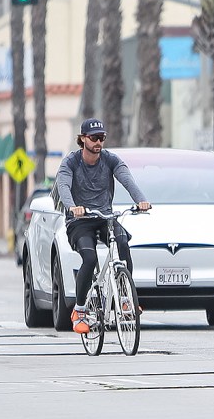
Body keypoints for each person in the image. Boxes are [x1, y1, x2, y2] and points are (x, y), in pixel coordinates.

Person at [56, 118, 151, 334]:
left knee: (123, 242)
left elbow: (127, 179)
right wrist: (72, 207)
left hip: (104, 217)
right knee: (89, 258)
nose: (99, 142)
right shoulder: (70, 162)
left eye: (102, 138)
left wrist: (141, 200)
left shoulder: (110, 160)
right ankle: (79, 311)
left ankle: (125, 298)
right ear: (82, 139)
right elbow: (63, 186)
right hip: (79, 221)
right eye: (94, 138)